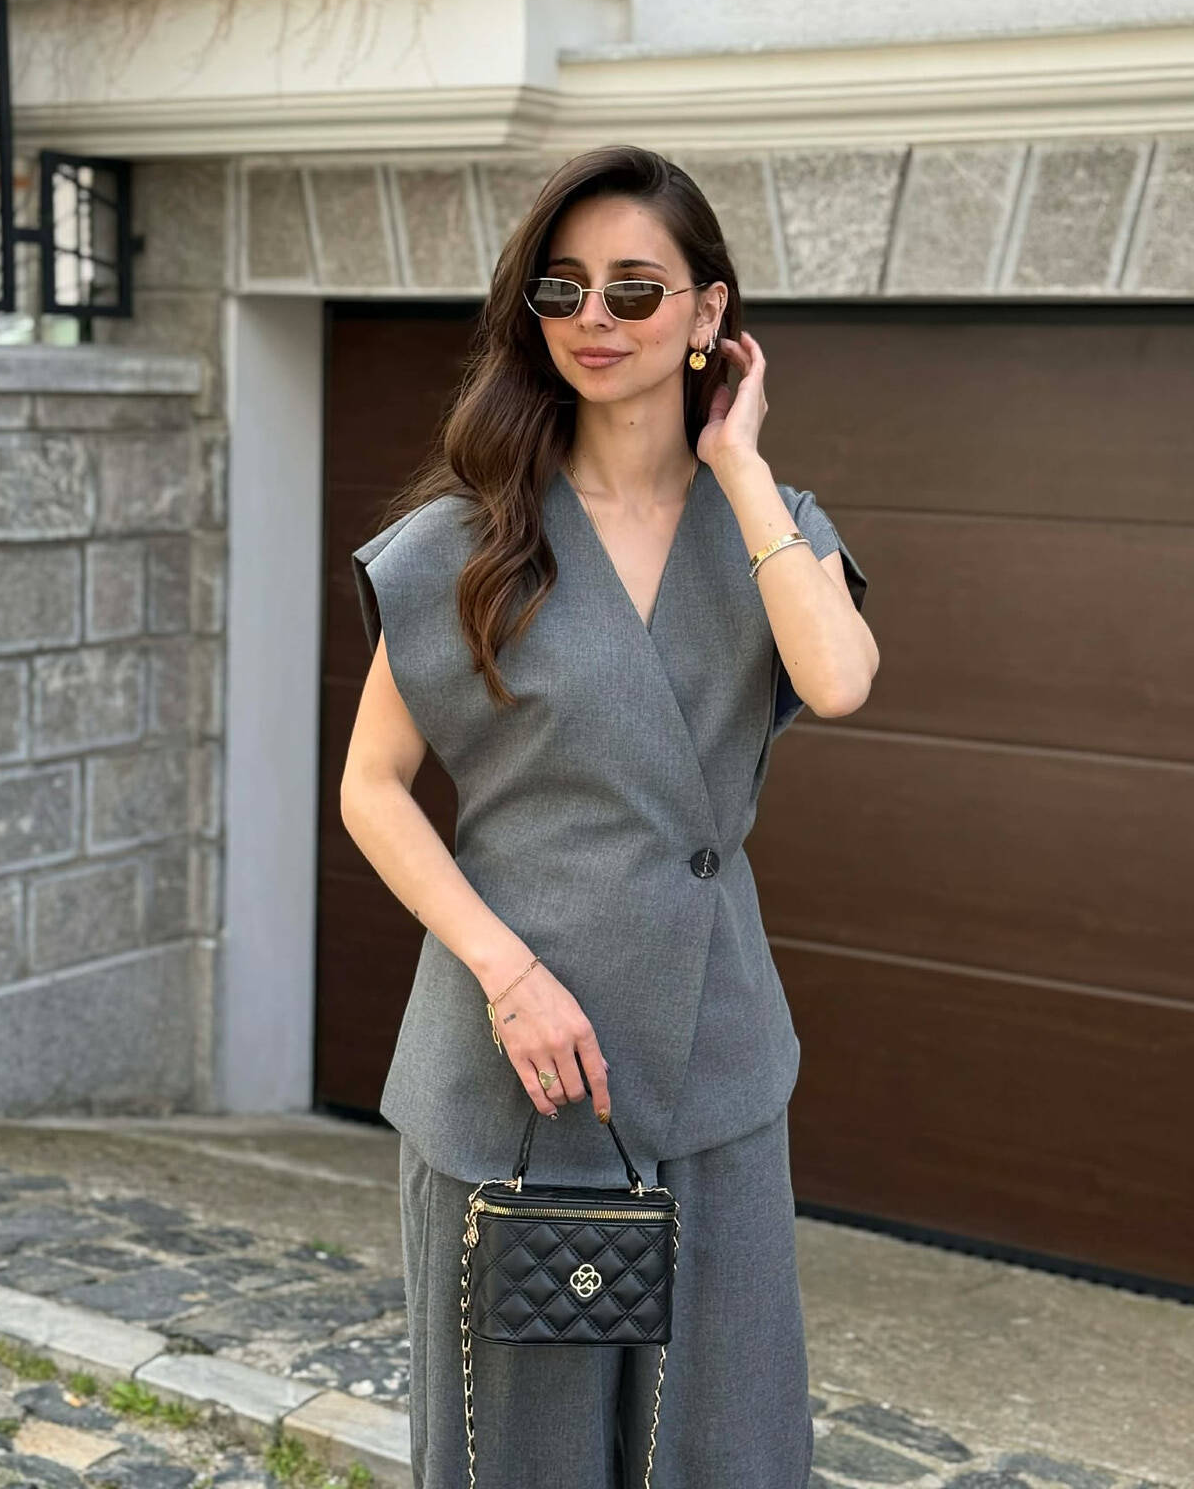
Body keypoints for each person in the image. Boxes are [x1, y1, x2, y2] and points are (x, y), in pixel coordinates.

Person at [340, 144, 878, 1489]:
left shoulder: (769, 527)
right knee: (520, 1457)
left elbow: (838, 679)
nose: (595, 318)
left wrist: (738, 463)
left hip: (710, 1061)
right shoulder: (469, 539)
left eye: (636, 290)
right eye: (563, 289)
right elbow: (371, 788)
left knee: (721, 1446)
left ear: (708, 313)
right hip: (516, 1066)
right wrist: (508, 975)